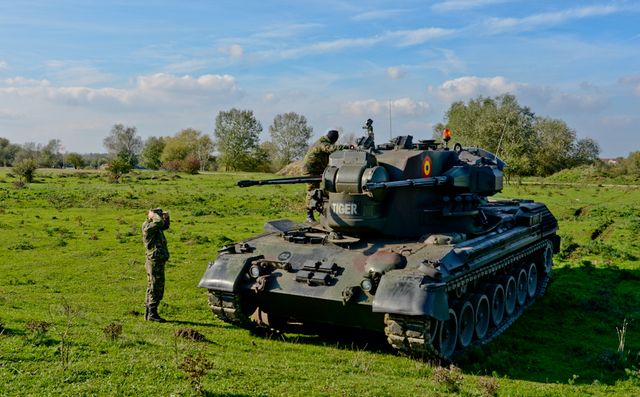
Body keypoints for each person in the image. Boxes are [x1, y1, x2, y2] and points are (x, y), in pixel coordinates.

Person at [302, 129, 346, 222]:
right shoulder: (323, 143)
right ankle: (309, 216)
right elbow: (330, 148)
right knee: (312, 191)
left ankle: (321, 211)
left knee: (320, 192)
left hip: (317, 170)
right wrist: (348, 147)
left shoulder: (324, 141)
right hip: (310, 171)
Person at [142, 208, 170, 322]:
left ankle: (149, 313)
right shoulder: (148, 227)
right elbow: (159, 222)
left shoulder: (155, 226)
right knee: (155, 287)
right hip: (154, 261)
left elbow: (164, 226)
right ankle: (152, 314)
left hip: (157, 260)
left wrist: (167, 218)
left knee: (154, 286)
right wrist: (153, 215)